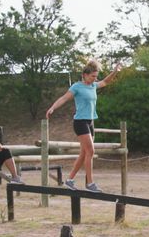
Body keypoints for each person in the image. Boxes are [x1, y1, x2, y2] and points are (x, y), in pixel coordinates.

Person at [45, 60, 122, 192]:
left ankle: (69, 180)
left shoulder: (93, 86)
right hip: (80, 122)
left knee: (84, 153)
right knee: (90, 151)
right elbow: (64, 98)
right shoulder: (77, 87)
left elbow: (105, 82)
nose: (95, 79)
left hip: (90, 121)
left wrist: (114, 71)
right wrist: (52, 108)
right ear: (85, 75)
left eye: (96, 76)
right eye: (92, 76)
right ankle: (90, 183)